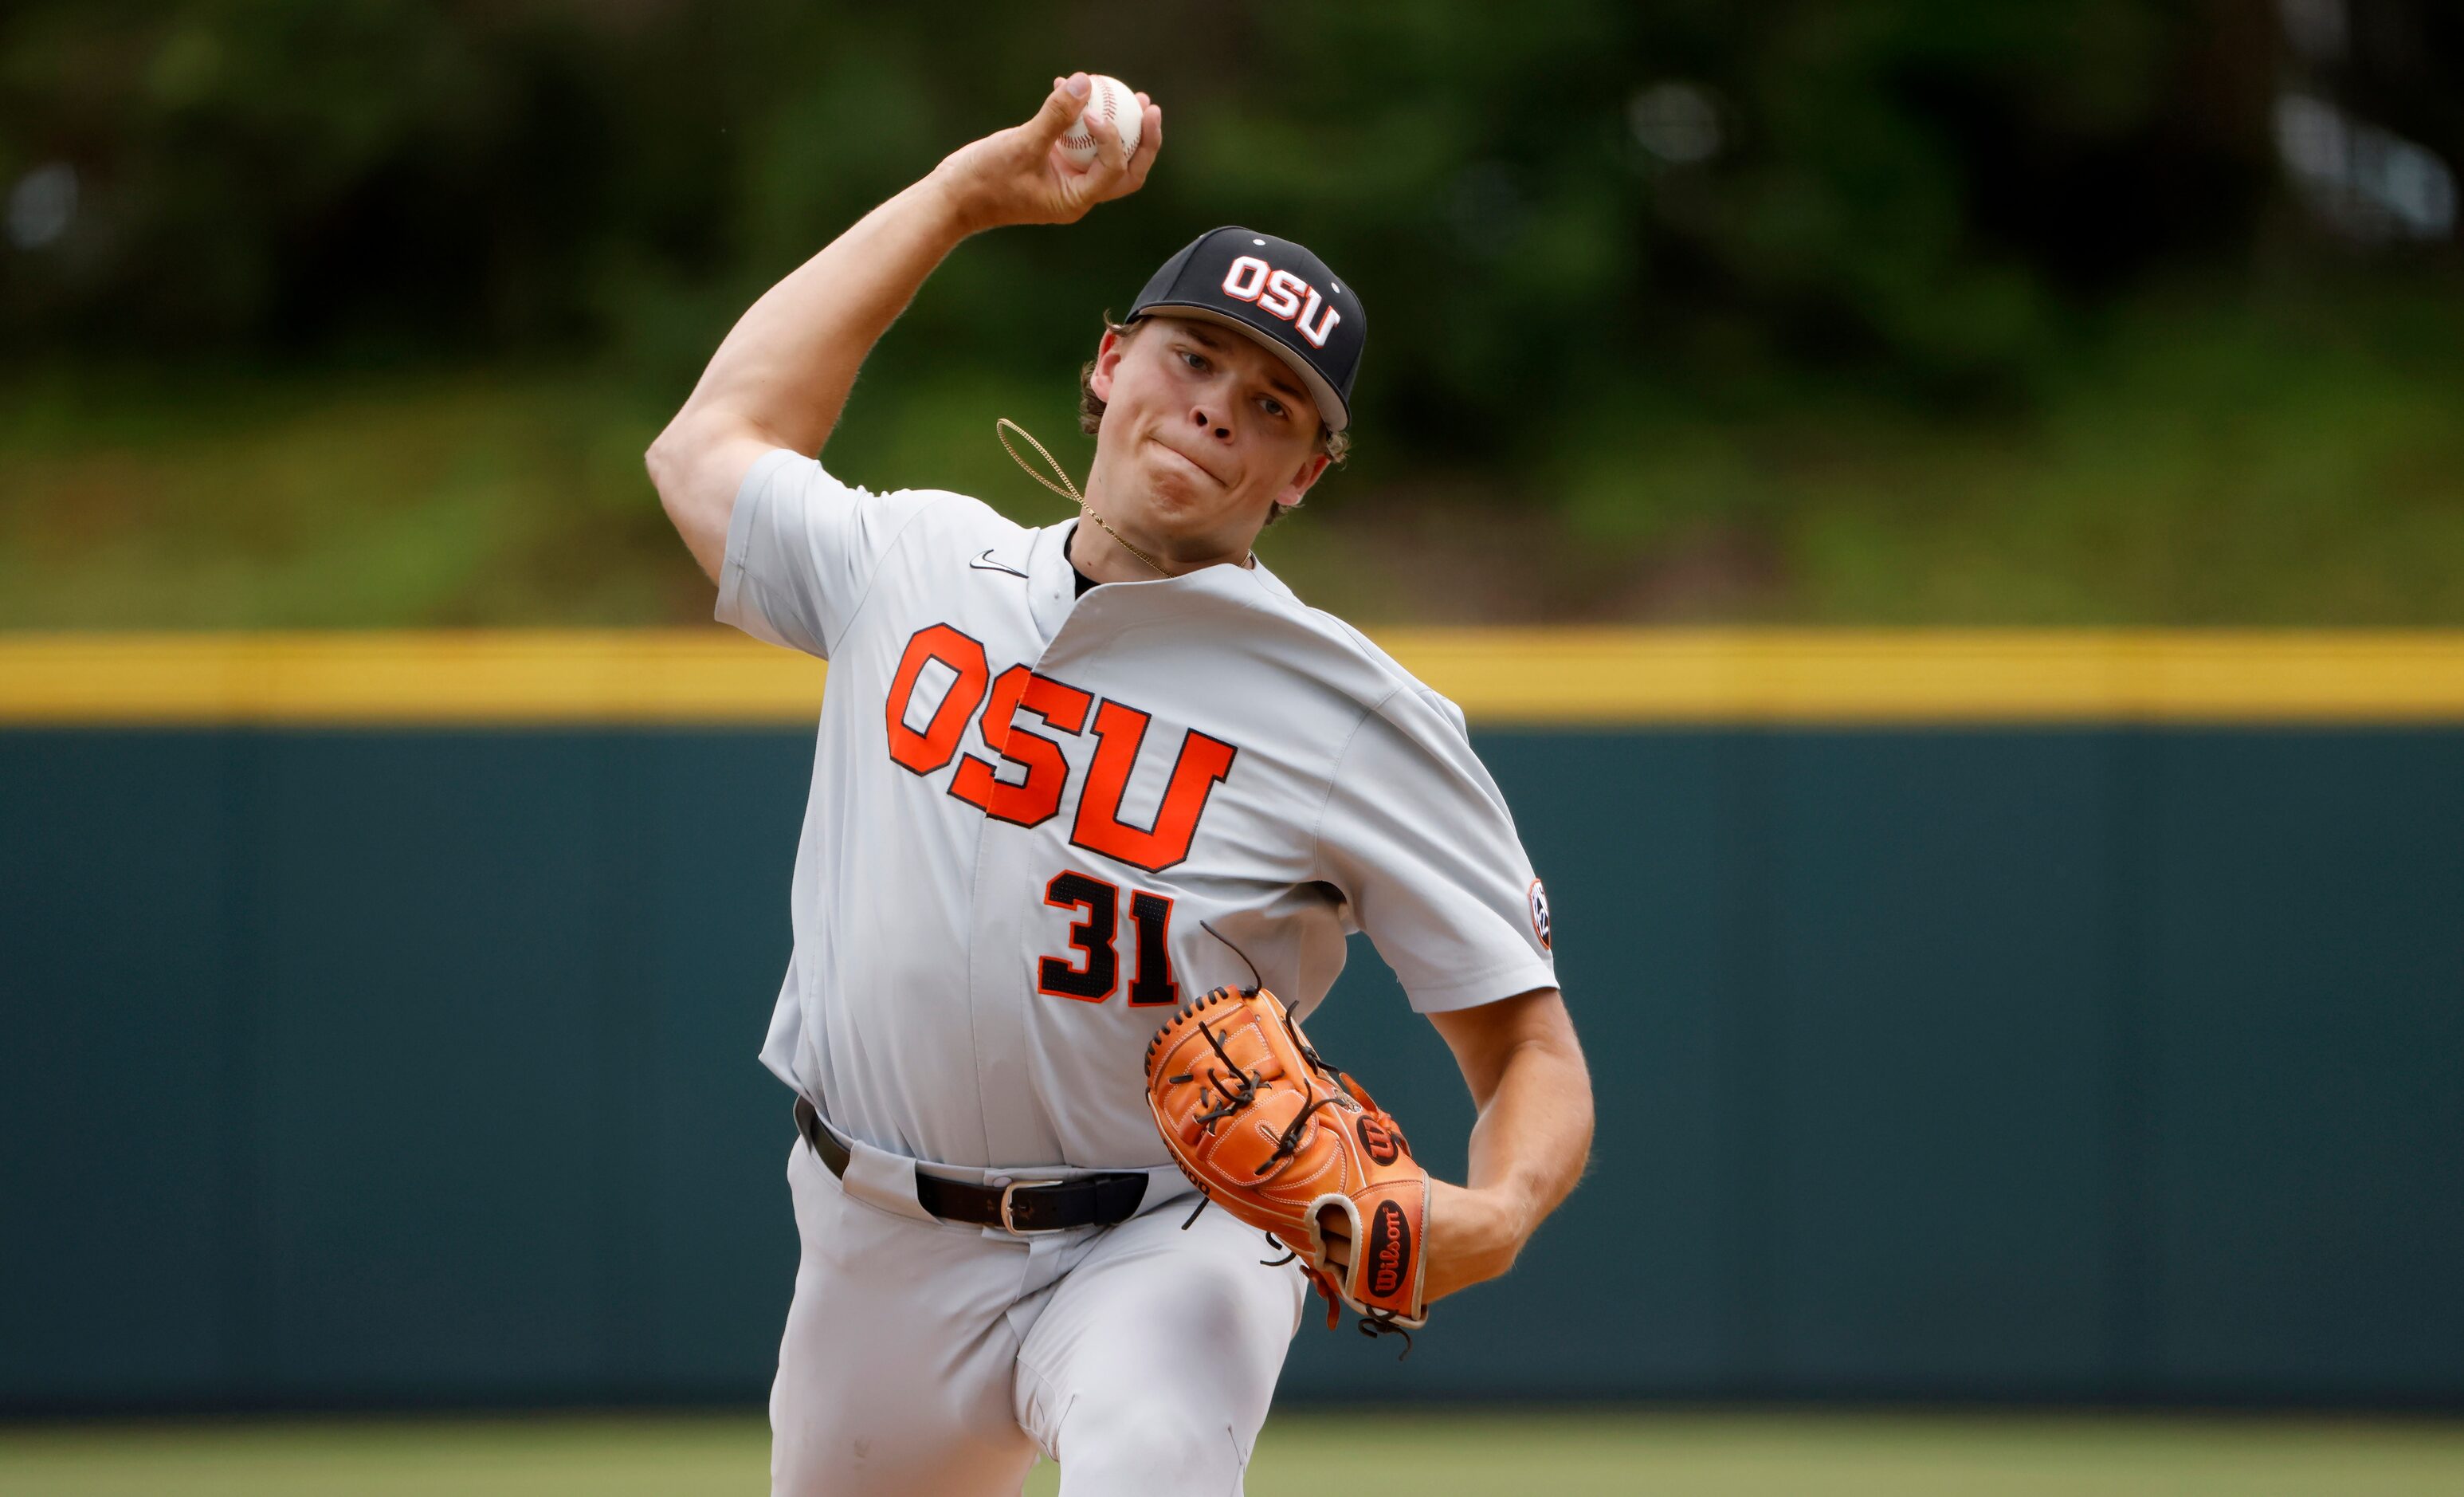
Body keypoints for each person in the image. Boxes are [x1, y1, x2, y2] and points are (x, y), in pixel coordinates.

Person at [645, 72, 1594, 1497]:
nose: (1220, 408)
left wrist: (1503, 1209)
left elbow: (1530, 1047)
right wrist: (968, 196)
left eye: (1275, 403)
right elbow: (707, 444)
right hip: (872, 1232)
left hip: (1174, 1230)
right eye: (1194, 358)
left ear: (1304, 477)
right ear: (1106, 363)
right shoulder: (911, 565)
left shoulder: (1357, 711)